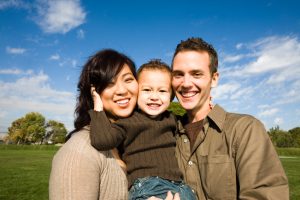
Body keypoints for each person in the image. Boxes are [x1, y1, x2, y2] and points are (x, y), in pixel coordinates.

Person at [171, 37, 289, 199]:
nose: (185, 83)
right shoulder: (167, 133)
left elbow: (264, 195)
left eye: (196, 74)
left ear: (214, 79)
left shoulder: (245, 129)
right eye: (178, 75)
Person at [89, 59, 196, 200]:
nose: (154, 97)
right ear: (137, 92)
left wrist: (205, 107)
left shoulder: (172, 118)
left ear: (171, 97)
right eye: (146, 90)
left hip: (180, 186)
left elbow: (194, 122)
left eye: (162, 91)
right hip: (147, 185)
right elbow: (102, 141)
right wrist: (98, 108)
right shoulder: (128, 121)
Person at [49, 49, 139, 200]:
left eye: (128, 79)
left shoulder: (128, 142)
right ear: (93, 93)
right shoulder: (79, 151)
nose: (122, 90)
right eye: (109, 84)